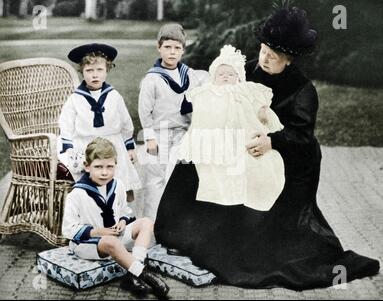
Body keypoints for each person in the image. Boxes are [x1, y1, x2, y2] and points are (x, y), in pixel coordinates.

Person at [154, 6, 380, 290]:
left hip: (290, 154)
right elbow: (219, 95)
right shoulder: (244, 70)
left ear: (289, 58)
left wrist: (271, 141)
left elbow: (302, 136)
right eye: (263, 50)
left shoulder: (302, 90)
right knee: (197, 160)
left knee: (260, 190)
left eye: (273, 56)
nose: (265, 58)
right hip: (241, 143)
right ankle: (180, 231)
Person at [178, 44, 285, 211]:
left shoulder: (244, 90)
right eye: (221, 74)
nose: (225, 77)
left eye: (230, 74)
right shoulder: (209, 92)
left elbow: (257, 103)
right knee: (216, 171)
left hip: (243, 133)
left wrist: (263, 112)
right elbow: (195, 107)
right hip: (217, 136)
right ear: (214, 77)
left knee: (252, 165)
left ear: (239, 77)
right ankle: (222, 198)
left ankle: (248, 197)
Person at [62, 137, 169, 298]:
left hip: (114, 235)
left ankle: (133, 274)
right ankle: (144, 274)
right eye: (98, 167)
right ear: (87, 166)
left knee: (146, 222)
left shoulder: (118, 185)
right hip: (89, 243)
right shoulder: (77, 194)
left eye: (109, 167)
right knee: (110, 241)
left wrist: (122, 221)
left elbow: (125, 210)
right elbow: (68, 230)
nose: (104, 172)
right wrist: (98, 232)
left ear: (115, 166)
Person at [138, 23, 209, 220]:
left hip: (183, 135)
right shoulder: (152, 79)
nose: (172, 52)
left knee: (177, 180)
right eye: (167, 47)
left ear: (183, 50)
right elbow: (145, 111)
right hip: (159, 134)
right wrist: (150, 137)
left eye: (177, 48)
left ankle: (174, 226)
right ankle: (151, 228)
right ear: (158, 47)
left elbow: (198, 102)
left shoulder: (190, 75)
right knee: (155, 181)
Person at [58, 43, 141, 202]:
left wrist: (129, 147)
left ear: (107, 70)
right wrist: (69, 151)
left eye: (99, 70)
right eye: (89, 71)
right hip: (87, 146)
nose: (94, 75)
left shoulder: (114, 96)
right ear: (82, 72)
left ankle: (118, 217)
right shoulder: (75, 99)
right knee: (92, 190)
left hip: (113, 145)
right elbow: (66, 125)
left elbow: (125, 123)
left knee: (117, 184)